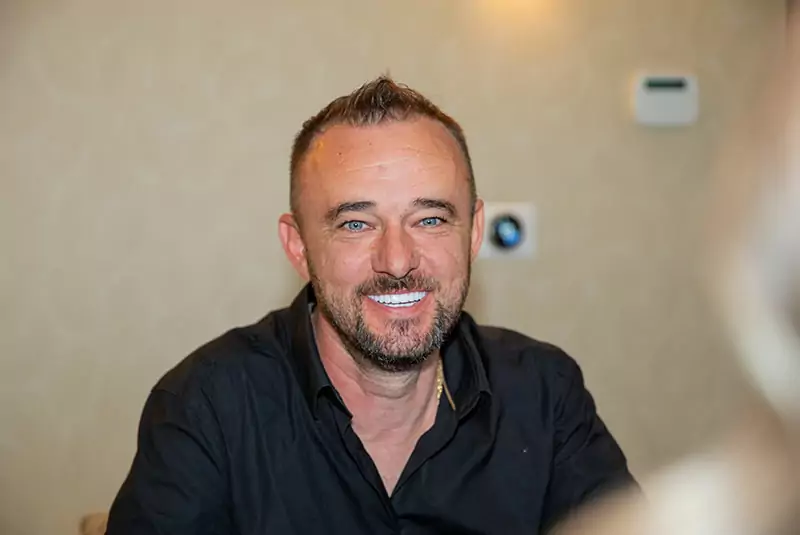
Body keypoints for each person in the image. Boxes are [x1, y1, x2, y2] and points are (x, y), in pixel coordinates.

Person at [105, 76, 637, 534]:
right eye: (356, 224)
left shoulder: (545, 394)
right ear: (299, 248)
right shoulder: (206, 407)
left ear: (473, 232)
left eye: (430, 219)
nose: (398, 260)